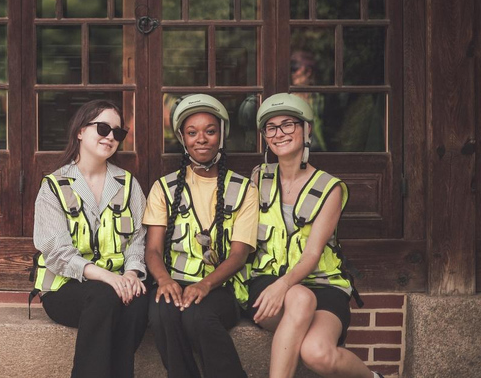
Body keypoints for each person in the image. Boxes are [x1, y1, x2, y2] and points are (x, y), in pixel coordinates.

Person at [247, 93, 382, 378]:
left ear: (306, 129)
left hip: (322, 286)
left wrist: (284, 285)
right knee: (299, 299)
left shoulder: (330, 188)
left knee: (317, 354)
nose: (279, 133)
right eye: (271, 127)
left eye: (288, 125)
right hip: (267, 282)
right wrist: (279, 287)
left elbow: (312, 253)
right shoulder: (258, 177)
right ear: (265, 137)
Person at [32, 99, 148, 378]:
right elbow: (57, 253)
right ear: (80, 131)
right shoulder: (54, 186)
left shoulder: (128, 184)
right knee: (104, 294)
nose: (110, 137)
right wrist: (109, 277)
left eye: (118, 133)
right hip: (65, 290)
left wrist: (132, 273)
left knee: (140, 300)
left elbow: (137, 239)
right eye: (103, 128)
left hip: (116, 285)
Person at [144, 94, 258, 378]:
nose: (202, 139)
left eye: (210, 131)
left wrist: (205, 285)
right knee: (162, 313)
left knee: (198, 316)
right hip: (174, 280)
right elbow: (153, 251)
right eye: (192, 133)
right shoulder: (164, 188)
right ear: (183, 138)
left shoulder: (244, 189)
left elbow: (239, 254)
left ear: (222, 134)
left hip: (221, 288)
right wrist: (165, 280)